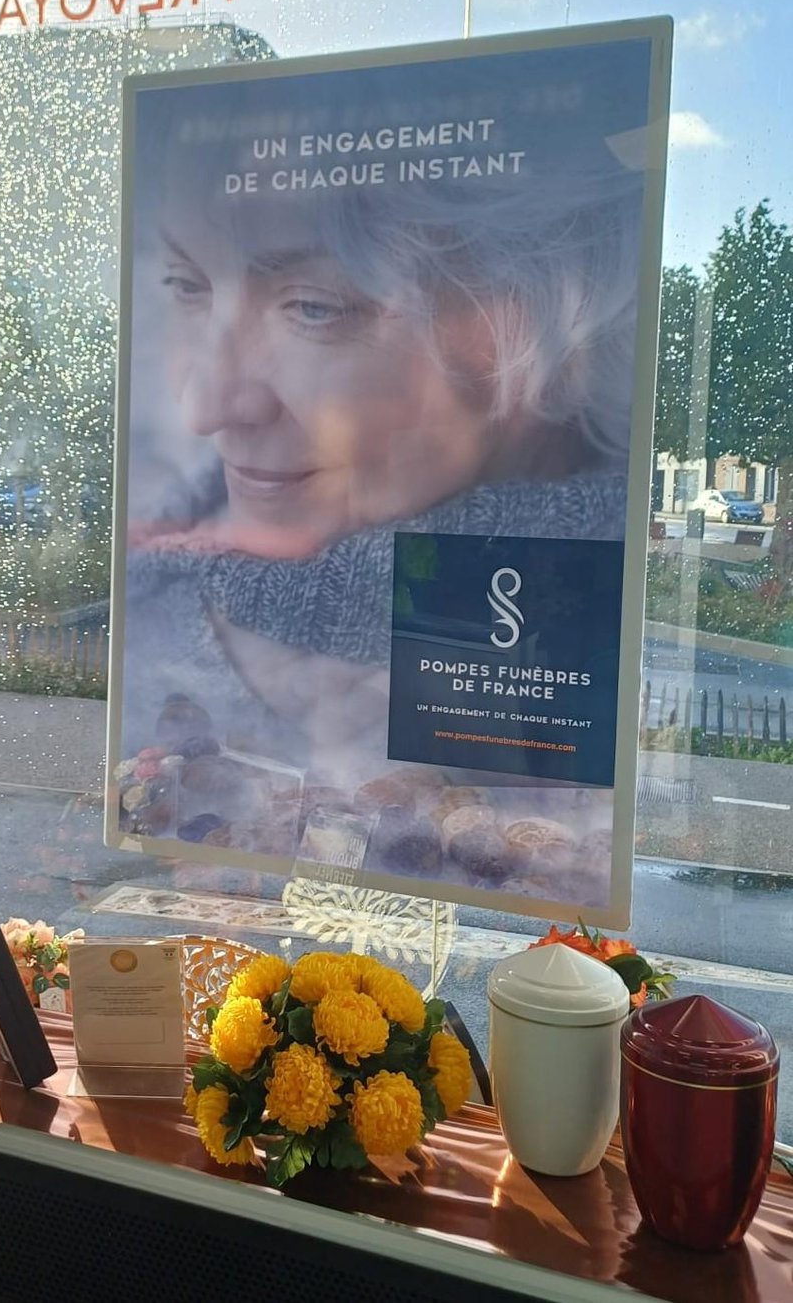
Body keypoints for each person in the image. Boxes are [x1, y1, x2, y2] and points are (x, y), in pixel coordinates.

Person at [114, 66, 646, 900]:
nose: (205, 404)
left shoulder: (580, 651)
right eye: (189, 284)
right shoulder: (149, 588)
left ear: (537, 316)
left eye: (314, 306)